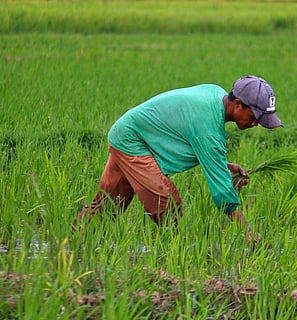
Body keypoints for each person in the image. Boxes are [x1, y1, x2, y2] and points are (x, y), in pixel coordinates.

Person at [75, 75, 282, 246]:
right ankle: (175, 256)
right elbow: (222, 195)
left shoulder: (216, 94)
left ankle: (73, 246)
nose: (256, 124)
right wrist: (248, 232)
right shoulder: (208, 128)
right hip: (133, 141)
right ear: (238, 104)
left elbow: (192, 137)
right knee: (166, 203)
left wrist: (222, 166)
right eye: (255, 117)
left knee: (107, 206)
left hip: (129, 132)